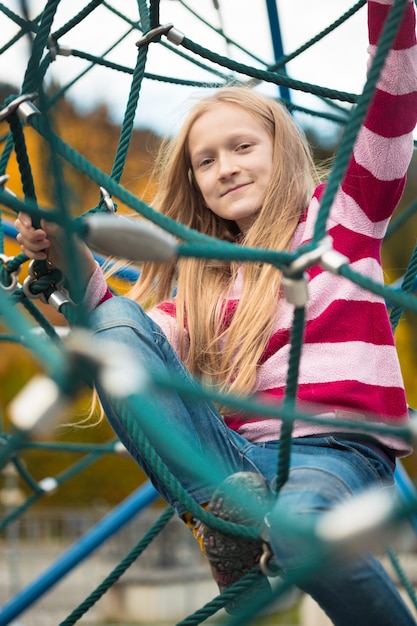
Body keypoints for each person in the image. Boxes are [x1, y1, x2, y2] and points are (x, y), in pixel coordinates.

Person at [15, 0, 417, 623]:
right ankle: (224, 520)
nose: (225, 168)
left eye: (241, 147)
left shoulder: (343, 217)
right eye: (206, 161)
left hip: (334, 454)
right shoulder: (204, 286)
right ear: (195, 181)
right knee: (119, 330)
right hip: (228, 469)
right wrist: (68, 253)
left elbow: (389, 110)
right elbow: (122, 336)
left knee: (299, 533)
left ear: (280, 147)